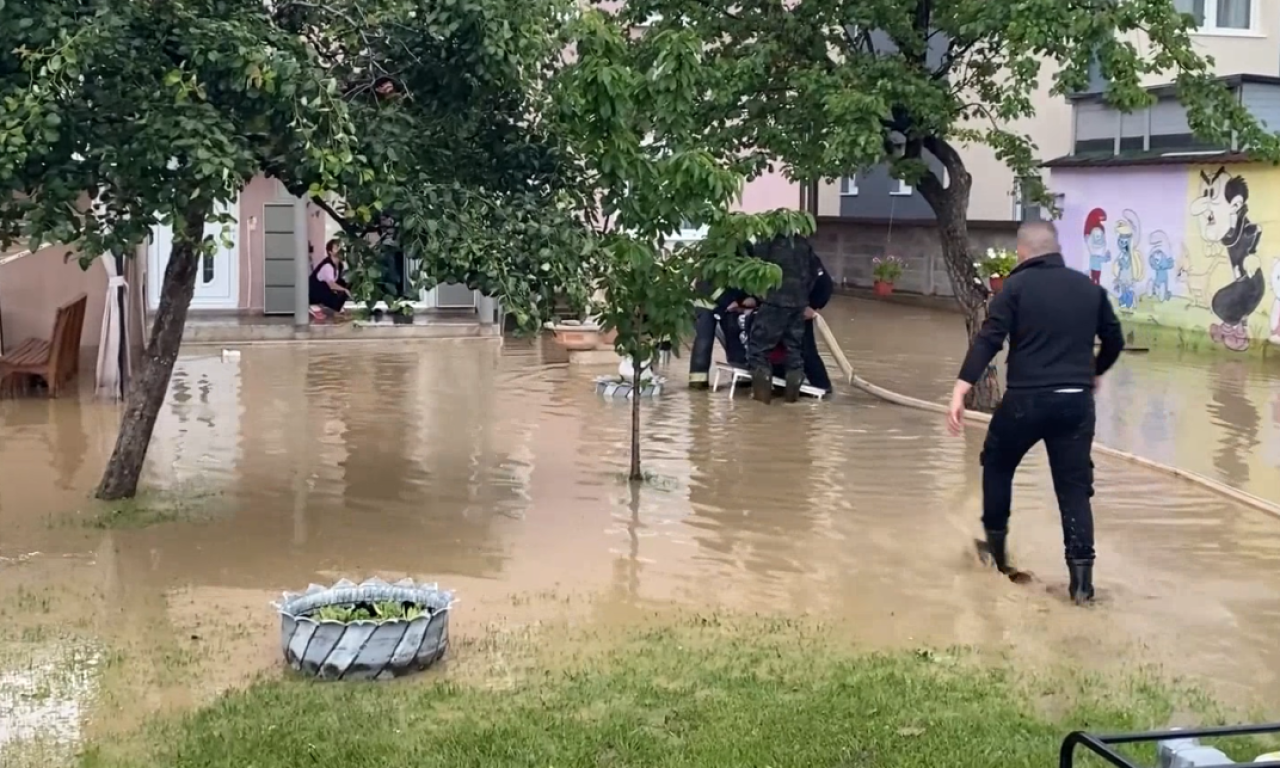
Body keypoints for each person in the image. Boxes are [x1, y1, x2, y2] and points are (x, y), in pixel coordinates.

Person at [946, 221, 1124, 605]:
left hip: (1026, 401)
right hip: (1076, 403)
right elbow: (1115, 339)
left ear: (1022, 252)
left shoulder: (1015, 288)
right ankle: (1081, 585)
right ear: (1056, 249)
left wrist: (962, 386)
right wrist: (1093, 372)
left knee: (997, 464)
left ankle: (997, 552)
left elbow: (990, 337)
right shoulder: (1089, 289)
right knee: (1074, 490)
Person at [746, 234, 819, 403]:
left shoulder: (766, 242)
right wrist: (803, 297)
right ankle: (791, 402)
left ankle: (761, 404)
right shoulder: (803, 243)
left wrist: (759, 295)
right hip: (798, 305)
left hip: (773, 303)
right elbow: (814, 272)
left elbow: (754, 271)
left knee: (759, 352)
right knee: (794, 352)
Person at [309, 239, 352, 320]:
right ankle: (336, 309)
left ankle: (339, 308)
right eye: (336, 248)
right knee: (342, 289)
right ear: (330, 252)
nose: (339, 250)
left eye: (340, 247)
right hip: (314, 292)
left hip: (324, 289)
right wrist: (345, 290)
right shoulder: (327, 265)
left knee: (345, 283)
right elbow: (331, 285)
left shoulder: (339, 265)